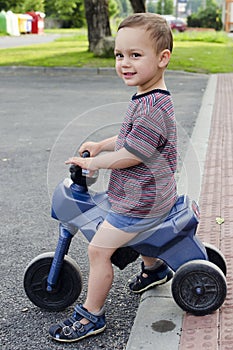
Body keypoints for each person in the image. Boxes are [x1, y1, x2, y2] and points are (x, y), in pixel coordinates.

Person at [49, 12, 178, 343]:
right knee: (113, 218)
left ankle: (92, 315)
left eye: (136, 55)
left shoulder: (151, 108)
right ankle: (155, 268)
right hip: (145, 194)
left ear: (163, 58)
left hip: (144, 201)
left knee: (98, 249)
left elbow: (133, 154)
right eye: (120, 55)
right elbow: (130, 139)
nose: (124, 63)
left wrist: (98, 163)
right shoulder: (147, 96)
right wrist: (100, 144)